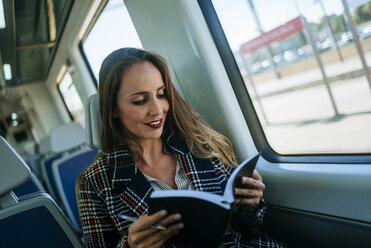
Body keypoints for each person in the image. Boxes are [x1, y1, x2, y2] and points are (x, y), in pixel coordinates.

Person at [76, 47, 285, 248]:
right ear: (112, 109)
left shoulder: (199, 141)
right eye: (140, 100)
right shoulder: (93, 182)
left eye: (161, 94)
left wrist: (252, 205)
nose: (157, 110)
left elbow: (248, 226)